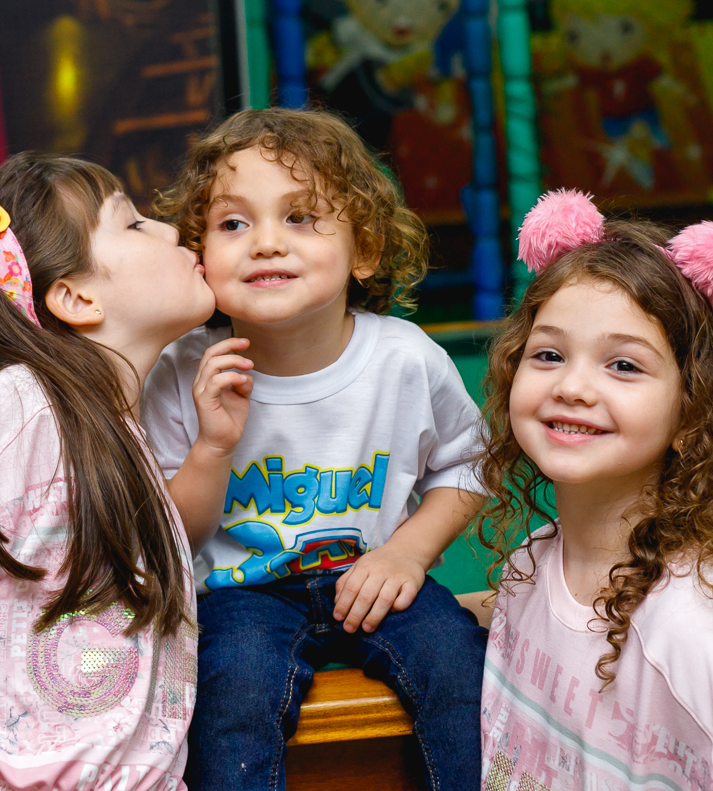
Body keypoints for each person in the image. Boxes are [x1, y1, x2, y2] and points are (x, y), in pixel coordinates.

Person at [0, 153, 252, 791]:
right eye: (133, 223)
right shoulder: (18, 406)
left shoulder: (107, 422)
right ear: (76, 297)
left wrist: (211, 449)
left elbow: (123, 562)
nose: (174, 231)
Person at [145, 107, 487, 791]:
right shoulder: (182, 370)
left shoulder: (404, 360)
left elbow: (469, 465)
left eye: (301, 217)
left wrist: (407, 551)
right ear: (199, 254)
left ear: (363, 249)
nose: (266, 242)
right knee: (232, 691)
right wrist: (214, 447)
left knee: (456, 656)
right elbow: (165, 533)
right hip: (242, 595)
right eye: (234, 223)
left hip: (376, 575)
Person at [475, 190, 713, 790]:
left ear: (692, 413)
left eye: (624, 365)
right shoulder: (530, 563)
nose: (573, 386)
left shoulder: (689, 625)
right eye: (548, 354)